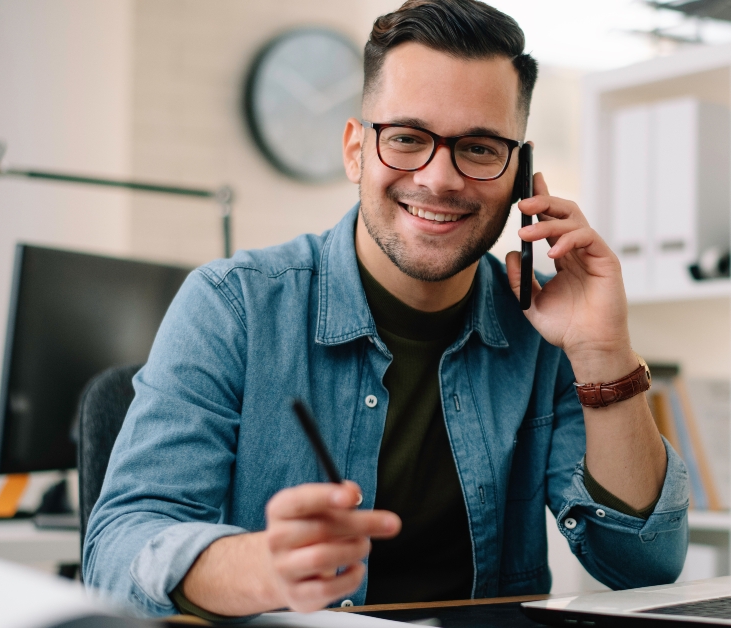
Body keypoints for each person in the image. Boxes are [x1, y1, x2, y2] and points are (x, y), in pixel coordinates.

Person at [83, 0, 689, 619]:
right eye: (406, 138)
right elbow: (115, 550)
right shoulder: (233, 306)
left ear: (520, 173)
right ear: (355, 151)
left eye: (479, 148)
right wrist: (262, 568)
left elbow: (644, 563)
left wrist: (603, 354)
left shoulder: (545, 325)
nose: (439, 178)